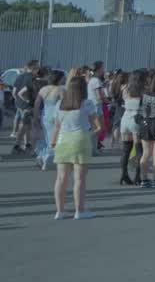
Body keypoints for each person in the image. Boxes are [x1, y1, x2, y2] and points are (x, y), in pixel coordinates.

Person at [49, 76, 103, 220]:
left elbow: (56, 126)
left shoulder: (60, 104)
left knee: (61, 178)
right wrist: (89, 134)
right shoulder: (87, 104)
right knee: (79, 179)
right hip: (80, 140)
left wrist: (53, 142)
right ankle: (79, 211)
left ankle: (59, 211)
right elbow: (98, 127)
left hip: (62, 141)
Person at [116, 71, 142, 184]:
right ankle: (138, 176)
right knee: (138, 149)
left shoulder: (125, 89)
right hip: (136, 119)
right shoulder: (142, 90)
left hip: (125, 118)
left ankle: (124, 175)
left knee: (125, 150)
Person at [12, 60, 39, 154]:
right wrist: (27, 101)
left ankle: (26, 144)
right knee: (25, 126)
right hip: (28, 105)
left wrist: (18, 102)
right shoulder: (33, 78)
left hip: (20, 105)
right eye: (37, 67)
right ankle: (17, 145)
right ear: (32, 68)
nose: (38, 69)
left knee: (26, 125)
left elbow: (14, 92)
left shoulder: (19, 77)